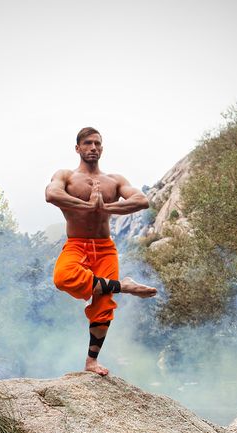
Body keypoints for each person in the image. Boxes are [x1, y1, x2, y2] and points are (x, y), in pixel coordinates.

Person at [46, 127, 157, 376]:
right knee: (62, 277)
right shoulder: (66, 176)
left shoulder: (114, 180)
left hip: (105, 248)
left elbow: (142, 200)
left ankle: (91, 362)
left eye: (97, 143)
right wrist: (87, 206)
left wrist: (105, 207)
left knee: (103, 306)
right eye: (87, 143)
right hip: (77, 244)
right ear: (78, 148)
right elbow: (51, 194)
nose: (93, 147)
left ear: (102, 148)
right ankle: (123, 285)